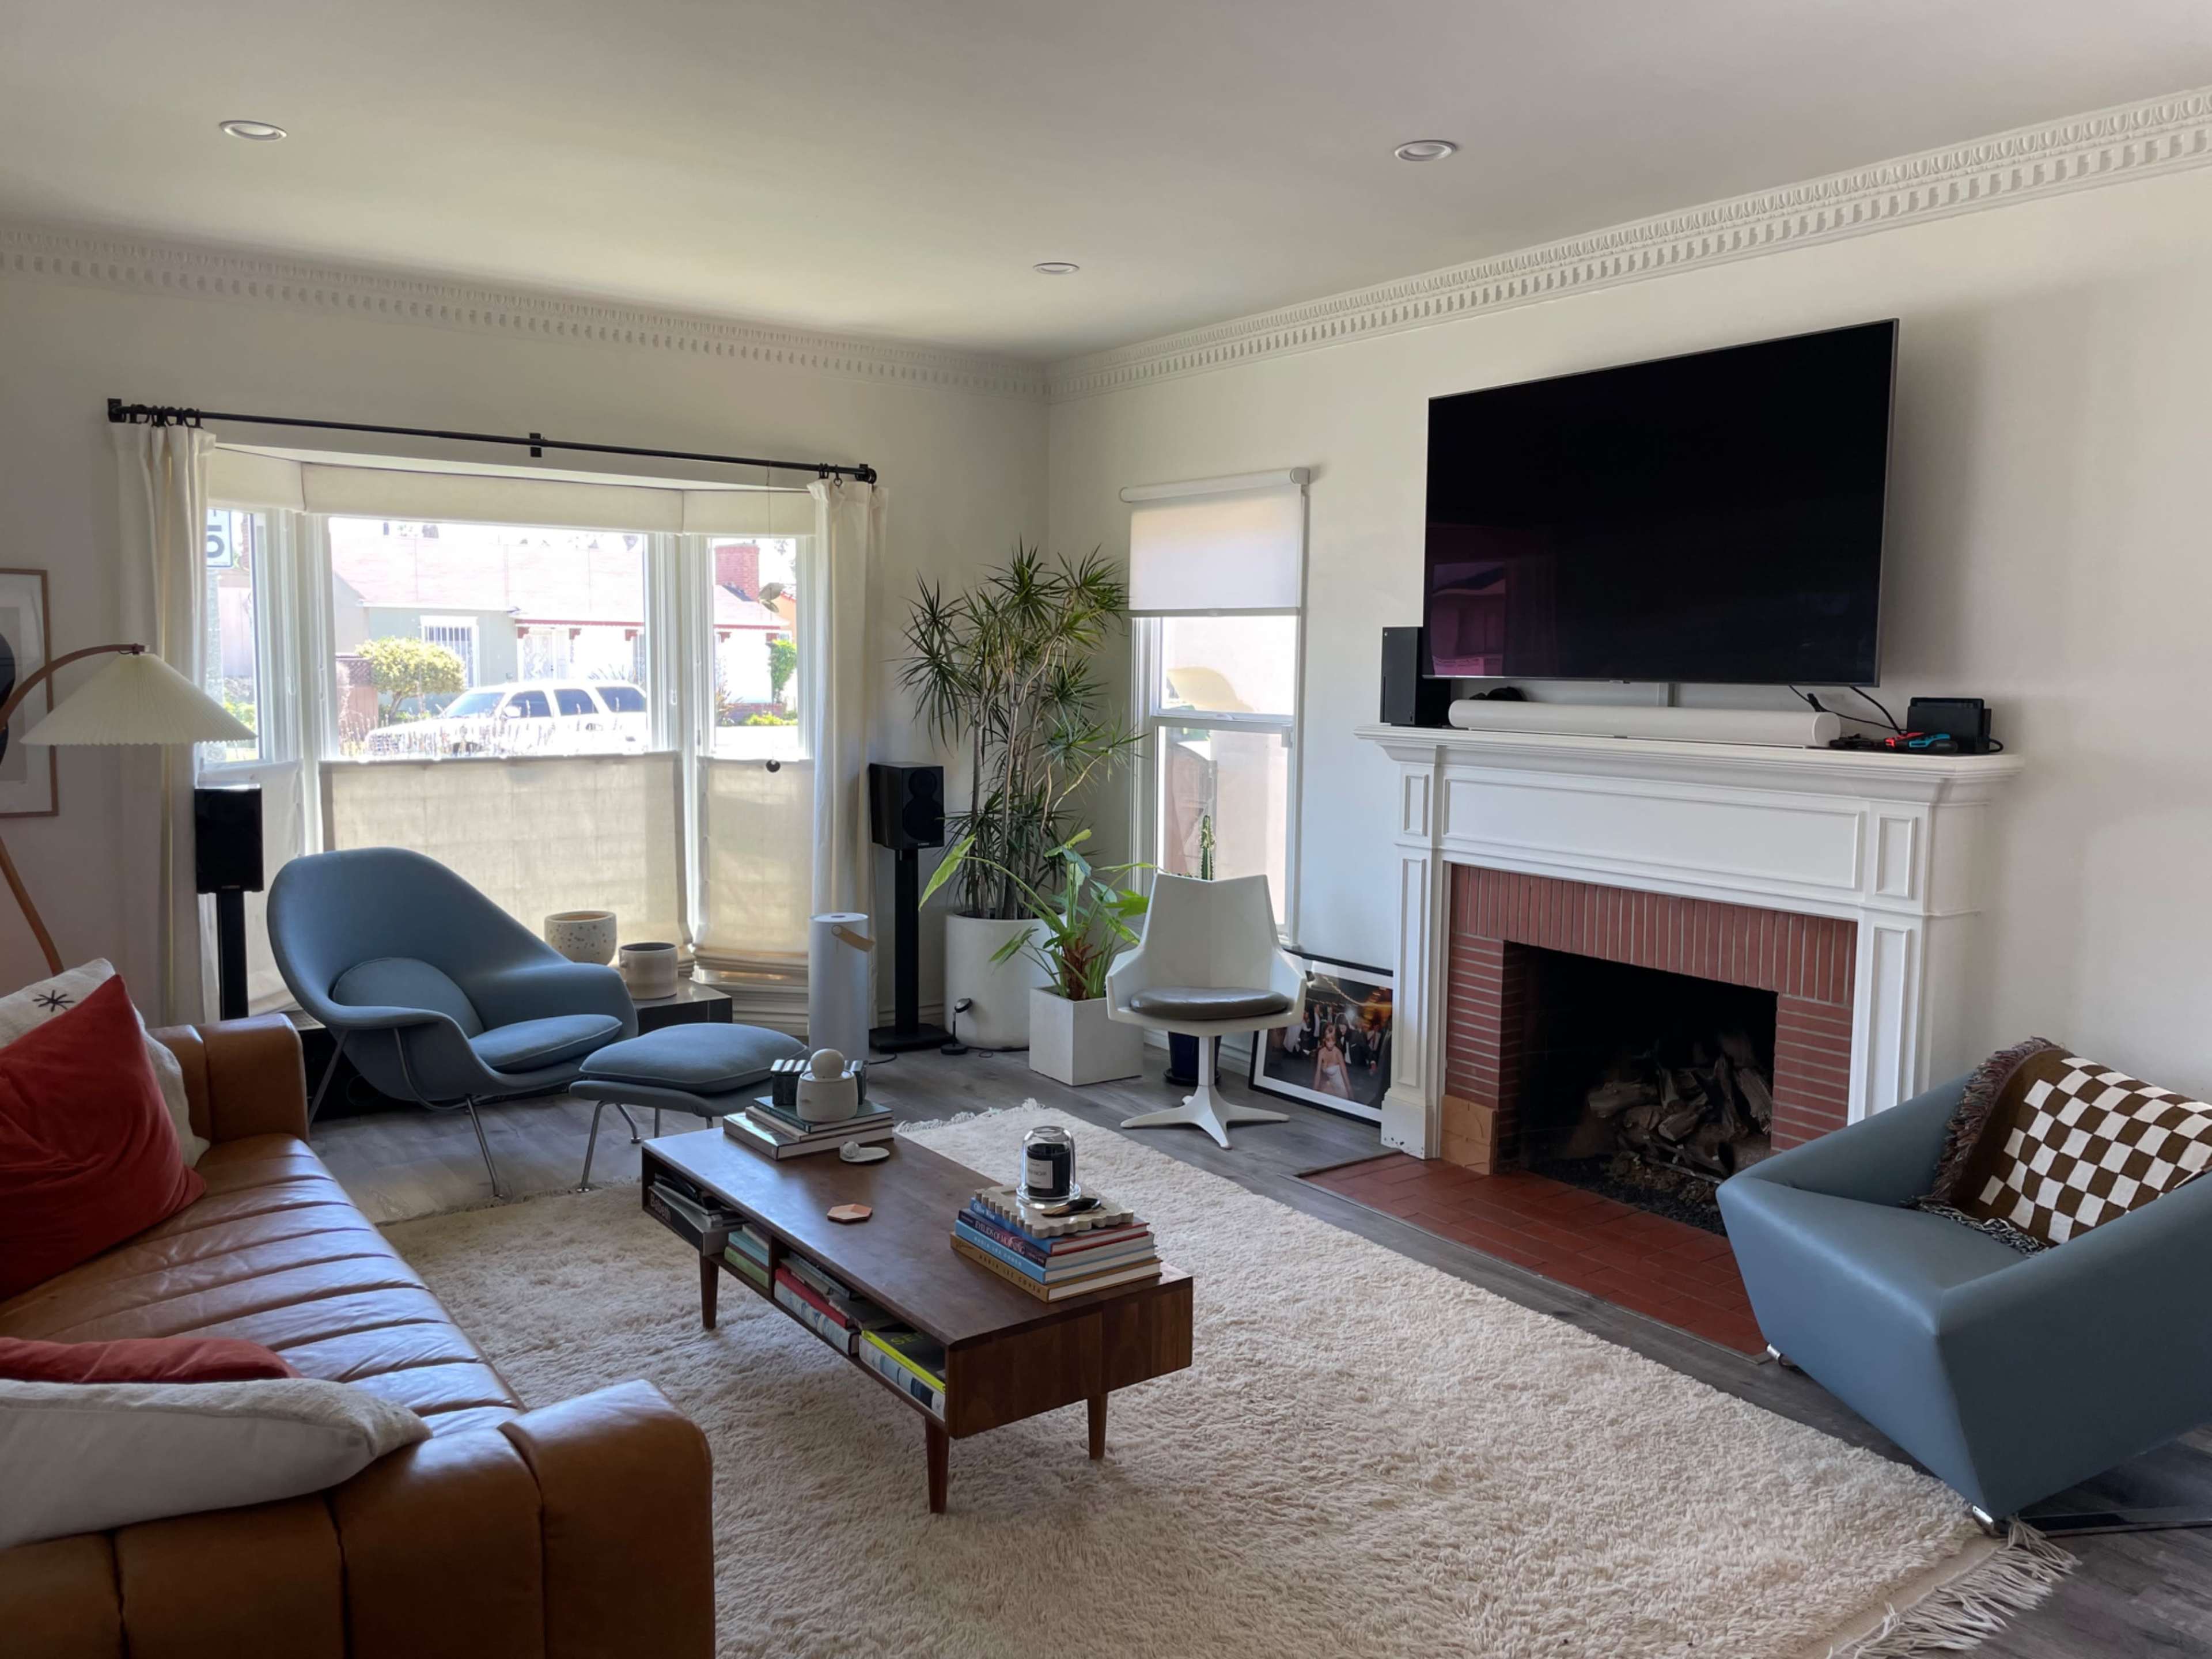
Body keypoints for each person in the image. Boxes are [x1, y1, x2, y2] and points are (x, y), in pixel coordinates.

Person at [1312, 1023, 1353, 1099]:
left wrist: (1352, 1100)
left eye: (1333, 1040)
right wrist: (1313, 1094)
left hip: (1341, 1091)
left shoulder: (1338, 1053)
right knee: (1322, 1089)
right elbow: (1318, 1075)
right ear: (1324, 1039)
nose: (1331, 1044)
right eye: (1328, 1040)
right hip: (1332, 1088)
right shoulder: (1321, 1052)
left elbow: (1346, 1078)